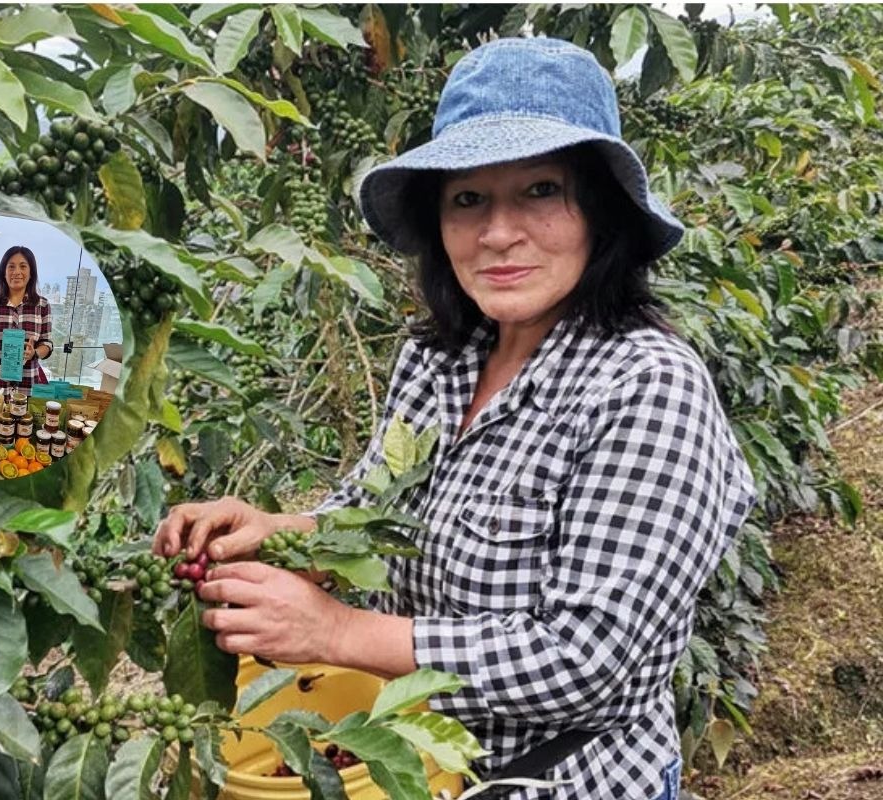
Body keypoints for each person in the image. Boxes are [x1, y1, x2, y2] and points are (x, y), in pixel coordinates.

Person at [153, 37, 758, 800]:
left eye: (540, 191)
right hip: (418, 767)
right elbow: (374, 514)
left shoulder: (647, 386)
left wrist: (336, 631)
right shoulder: (442, 360)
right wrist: (279, 533)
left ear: (602, 215)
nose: (498, 233)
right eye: (468, 198)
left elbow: (584, 659)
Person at [0, 245, 53, 393]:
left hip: (27, 387)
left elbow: (46, 343)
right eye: (11, 267)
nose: (17, 272)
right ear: (4, 272)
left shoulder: (42, 305)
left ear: (31, 273)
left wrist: (34, 353)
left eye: (23, 266)